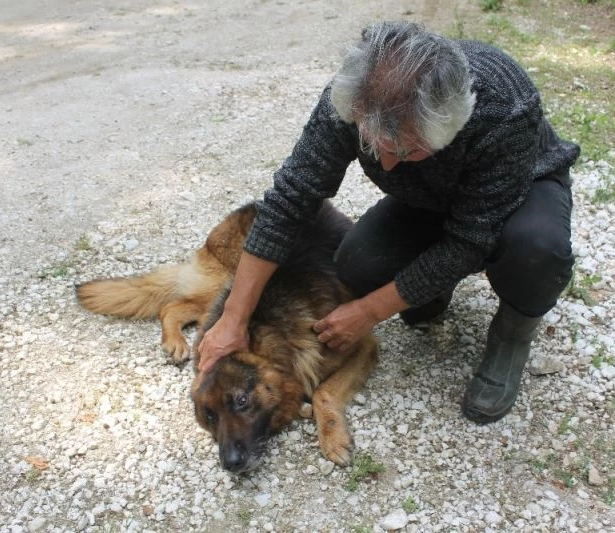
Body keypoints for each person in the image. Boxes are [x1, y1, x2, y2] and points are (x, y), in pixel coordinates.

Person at [197, 21, 579, 424]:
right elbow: (291, 199)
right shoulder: (356, 93)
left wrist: (368, 312)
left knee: (536, 248)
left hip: (521, 190)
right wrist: (233, 320)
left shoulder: (504, 108)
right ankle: (430, 289)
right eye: (373, 145)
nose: (388, 164)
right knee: (357, 265)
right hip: (430, 197)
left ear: (452, 125)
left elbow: (471, 240)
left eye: (406, 149)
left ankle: (512, 334)